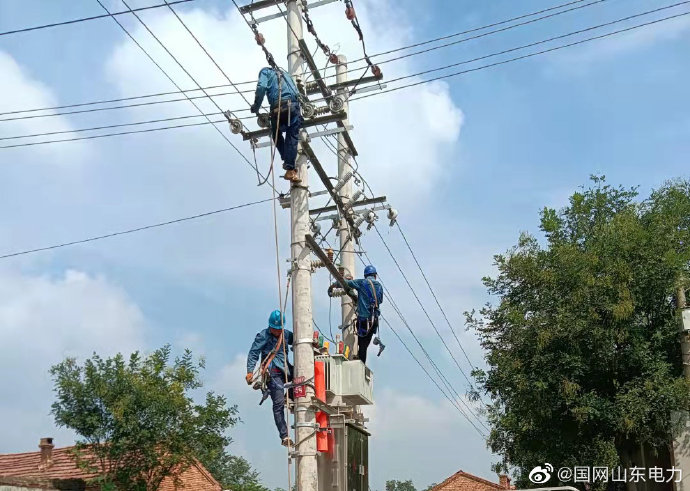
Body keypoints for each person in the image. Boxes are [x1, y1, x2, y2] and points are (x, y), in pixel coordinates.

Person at [246, 309, 294, 446]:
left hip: (286, 370)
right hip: (273, 373)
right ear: (270, 326)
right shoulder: (263, 336)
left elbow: (297, 339)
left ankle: (289, 395)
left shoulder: (286, 334)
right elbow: (253, 353)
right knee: (278, 404)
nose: (277, 331)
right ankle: (284, 436)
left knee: (303, 376)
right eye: (274, 329)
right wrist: (250, 371)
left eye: (279, 329)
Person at [250, 67, 303, 184]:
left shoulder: (265, 71)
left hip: (277, 108)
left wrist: (256, 106)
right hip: (293, 107)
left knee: (276, 134)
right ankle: (289, 166)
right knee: (292, 135)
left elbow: (261, 87)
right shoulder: (287, 75)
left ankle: (288, 164)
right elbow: (296, 93)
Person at [331, 265, 384, 364]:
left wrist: (334, 285)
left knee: (362, 345)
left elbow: (346, 283)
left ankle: (360, 364)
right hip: (374, 321)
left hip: (364, 321)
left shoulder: (362, 282)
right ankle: (360, 362)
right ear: (375, 276)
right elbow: (380, 300)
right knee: (364, 345)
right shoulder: (379, 286)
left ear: (365, 275)